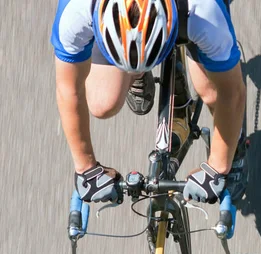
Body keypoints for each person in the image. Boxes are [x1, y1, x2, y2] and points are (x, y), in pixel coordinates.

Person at [52, 0, 247, 204]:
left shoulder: (204, 10)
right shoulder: (76, 9)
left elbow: (231, 93)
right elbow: (68, 89)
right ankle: (136, 66)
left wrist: (218, 166)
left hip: (187, 15)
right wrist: (85, 168)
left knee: (211, 91)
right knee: (102, 104)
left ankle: (237, 145)